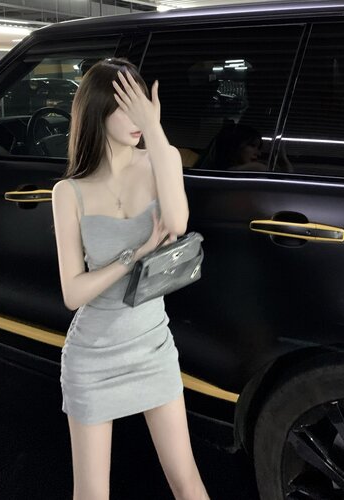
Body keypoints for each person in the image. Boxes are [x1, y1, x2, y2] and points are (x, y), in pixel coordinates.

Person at [51, 57, 210, 500]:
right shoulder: (68, 192)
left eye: (143, 104)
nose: (138, 116)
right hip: (91, 357)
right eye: (127, 107)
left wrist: (154, 129)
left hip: (152, 345)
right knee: (91, 493)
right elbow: (72, 293)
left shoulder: (162, 159)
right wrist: (133, 256)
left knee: (187, 481)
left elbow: (177, 222)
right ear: (98, 111)